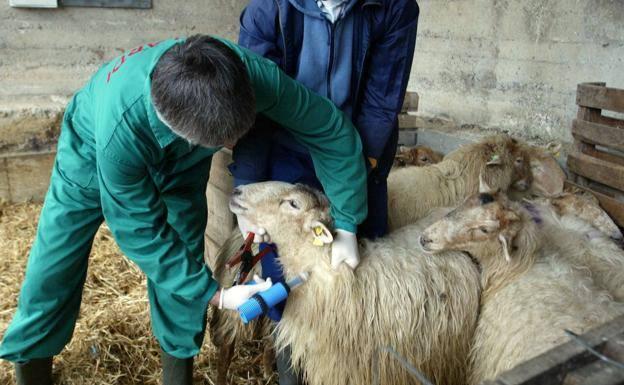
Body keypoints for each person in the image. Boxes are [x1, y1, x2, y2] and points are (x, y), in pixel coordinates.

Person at [0, 35, 367, 385]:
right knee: (54, 264)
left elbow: (328, 129)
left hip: (183, 167)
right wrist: (217, 295)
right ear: (181, 131)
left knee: (185, 255)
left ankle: (176, 373)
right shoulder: (119, 136)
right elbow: (138, 229)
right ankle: (31, 365)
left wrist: (347, 223)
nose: (232, 145)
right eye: (222, 142)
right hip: (90, 153)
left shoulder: (247, 76)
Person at [229, 1, 419, 383]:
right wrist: (245, 193)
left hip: (360, 148)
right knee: (284, 273)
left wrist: (351, 202)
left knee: (358, 272)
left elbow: (382, 102)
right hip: (288, 151)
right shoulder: (270, 10)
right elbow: (252, 106)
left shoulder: (394, 8)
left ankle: (356, 368)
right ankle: (292, 369)